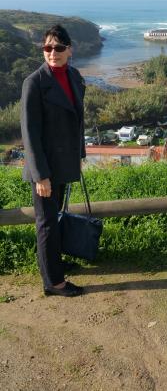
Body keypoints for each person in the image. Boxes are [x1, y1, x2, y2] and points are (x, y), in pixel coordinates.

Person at [21, 24, 86, 297]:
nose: (52, 53)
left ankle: (54, 264)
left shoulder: (73, 76)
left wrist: (79, 154)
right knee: (46, 223)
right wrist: (40, 175)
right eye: (47, 48)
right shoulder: (34, 83)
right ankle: (54, 282)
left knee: (55, 217)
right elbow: (30, 133)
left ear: (69, 50)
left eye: (58, 48)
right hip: (45, 169)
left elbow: (77, 120)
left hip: (64, 163)